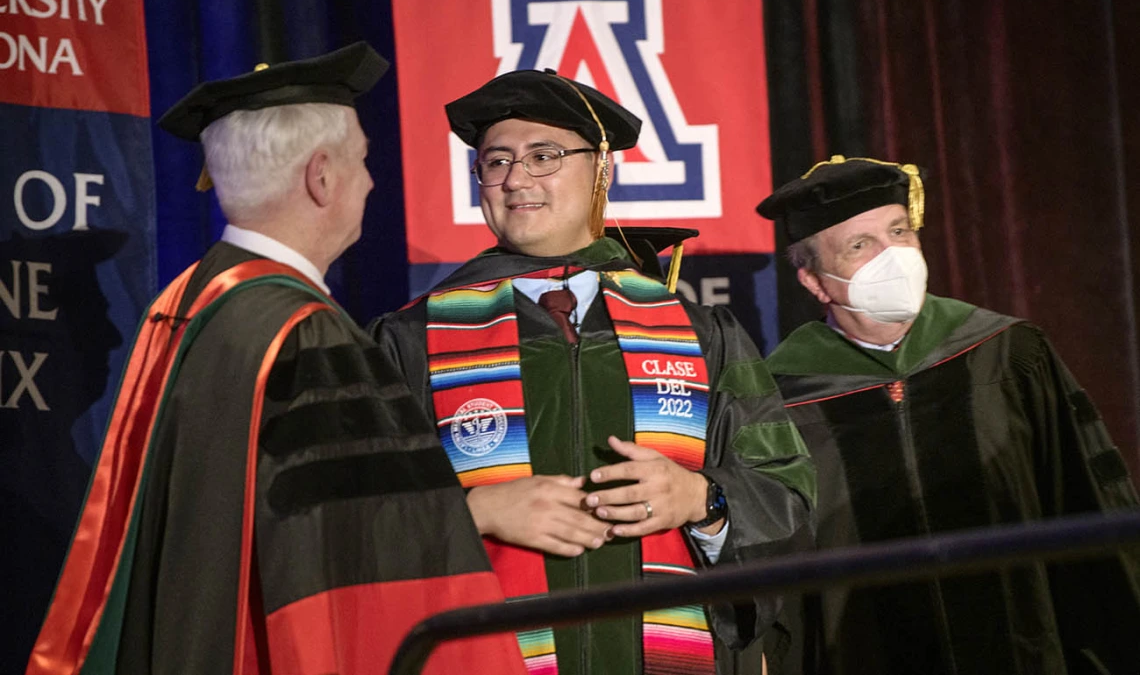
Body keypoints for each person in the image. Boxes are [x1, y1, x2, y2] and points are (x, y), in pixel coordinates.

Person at [27, 43, 525, 675]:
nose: (371, 182)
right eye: (364, 162)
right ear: (321, 175)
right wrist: (488, 510)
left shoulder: (186, 301)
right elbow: (331, 531)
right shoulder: (305, 334)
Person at [372, 69, 816, 675]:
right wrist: (476, 513)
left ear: (602, 171)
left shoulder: (699, 333)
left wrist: (703, 499)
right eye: (495, 161)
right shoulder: (412, 339)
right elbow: (354, 520)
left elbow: (787, 498)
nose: (515, 178)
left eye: (544, 156)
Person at [756, 155, 1140, 675]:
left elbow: (1087, 503)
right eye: (859, 245)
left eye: (899, 231)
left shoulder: (1007, 353)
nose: (891, 257)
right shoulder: (783, 398)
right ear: (815, 281)